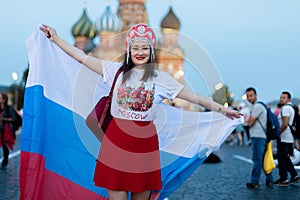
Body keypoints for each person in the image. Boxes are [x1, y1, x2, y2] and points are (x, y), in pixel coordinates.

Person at [39, 23, 242, 200]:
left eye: (145, 48)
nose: (140, 52)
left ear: (151, 52)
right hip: (116, 141)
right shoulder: (115, 71)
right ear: (128, 50)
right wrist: (56, 39)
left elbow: (192, 96)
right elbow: (81, 57)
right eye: (135, 47)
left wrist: (221, 110)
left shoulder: (161, 79)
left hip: (144, 143)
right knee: (115, 192)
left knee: (141, 193)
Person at [245, 87, 273, 189]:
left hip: (258, 136)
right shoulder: (262, 105)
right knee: (263, 159)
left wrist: (247, 121)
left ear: (256, 95)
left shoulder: (257, 106)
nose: (249, 98)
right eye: (248, 96)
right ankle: (269, 180)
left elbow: (250, 122)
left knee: (257, 159)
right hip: (263, 136)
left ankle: (254, 181)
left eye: (251, 96)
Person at [273, 91, 300, 186]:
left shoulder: (285, 108)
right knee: (285, 157)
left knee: (282, 158)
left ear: (289, 99)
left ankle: (283, 178)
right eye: (281, 97)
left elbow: (284, 123)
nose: (281, 99)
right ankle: (294, 175)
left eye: (283, 97)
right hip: (289, 137)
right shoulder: (291, 108)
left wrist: (277, 133)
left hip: (284, 137)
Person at [0, 93, 17, 169]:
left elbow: (13, 118)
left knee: (5, 146)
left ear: (4, 100)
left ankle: (5, 160)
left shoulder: (9, 108)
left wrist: (3, 119)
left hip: (6, 130)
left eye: (0, 98)